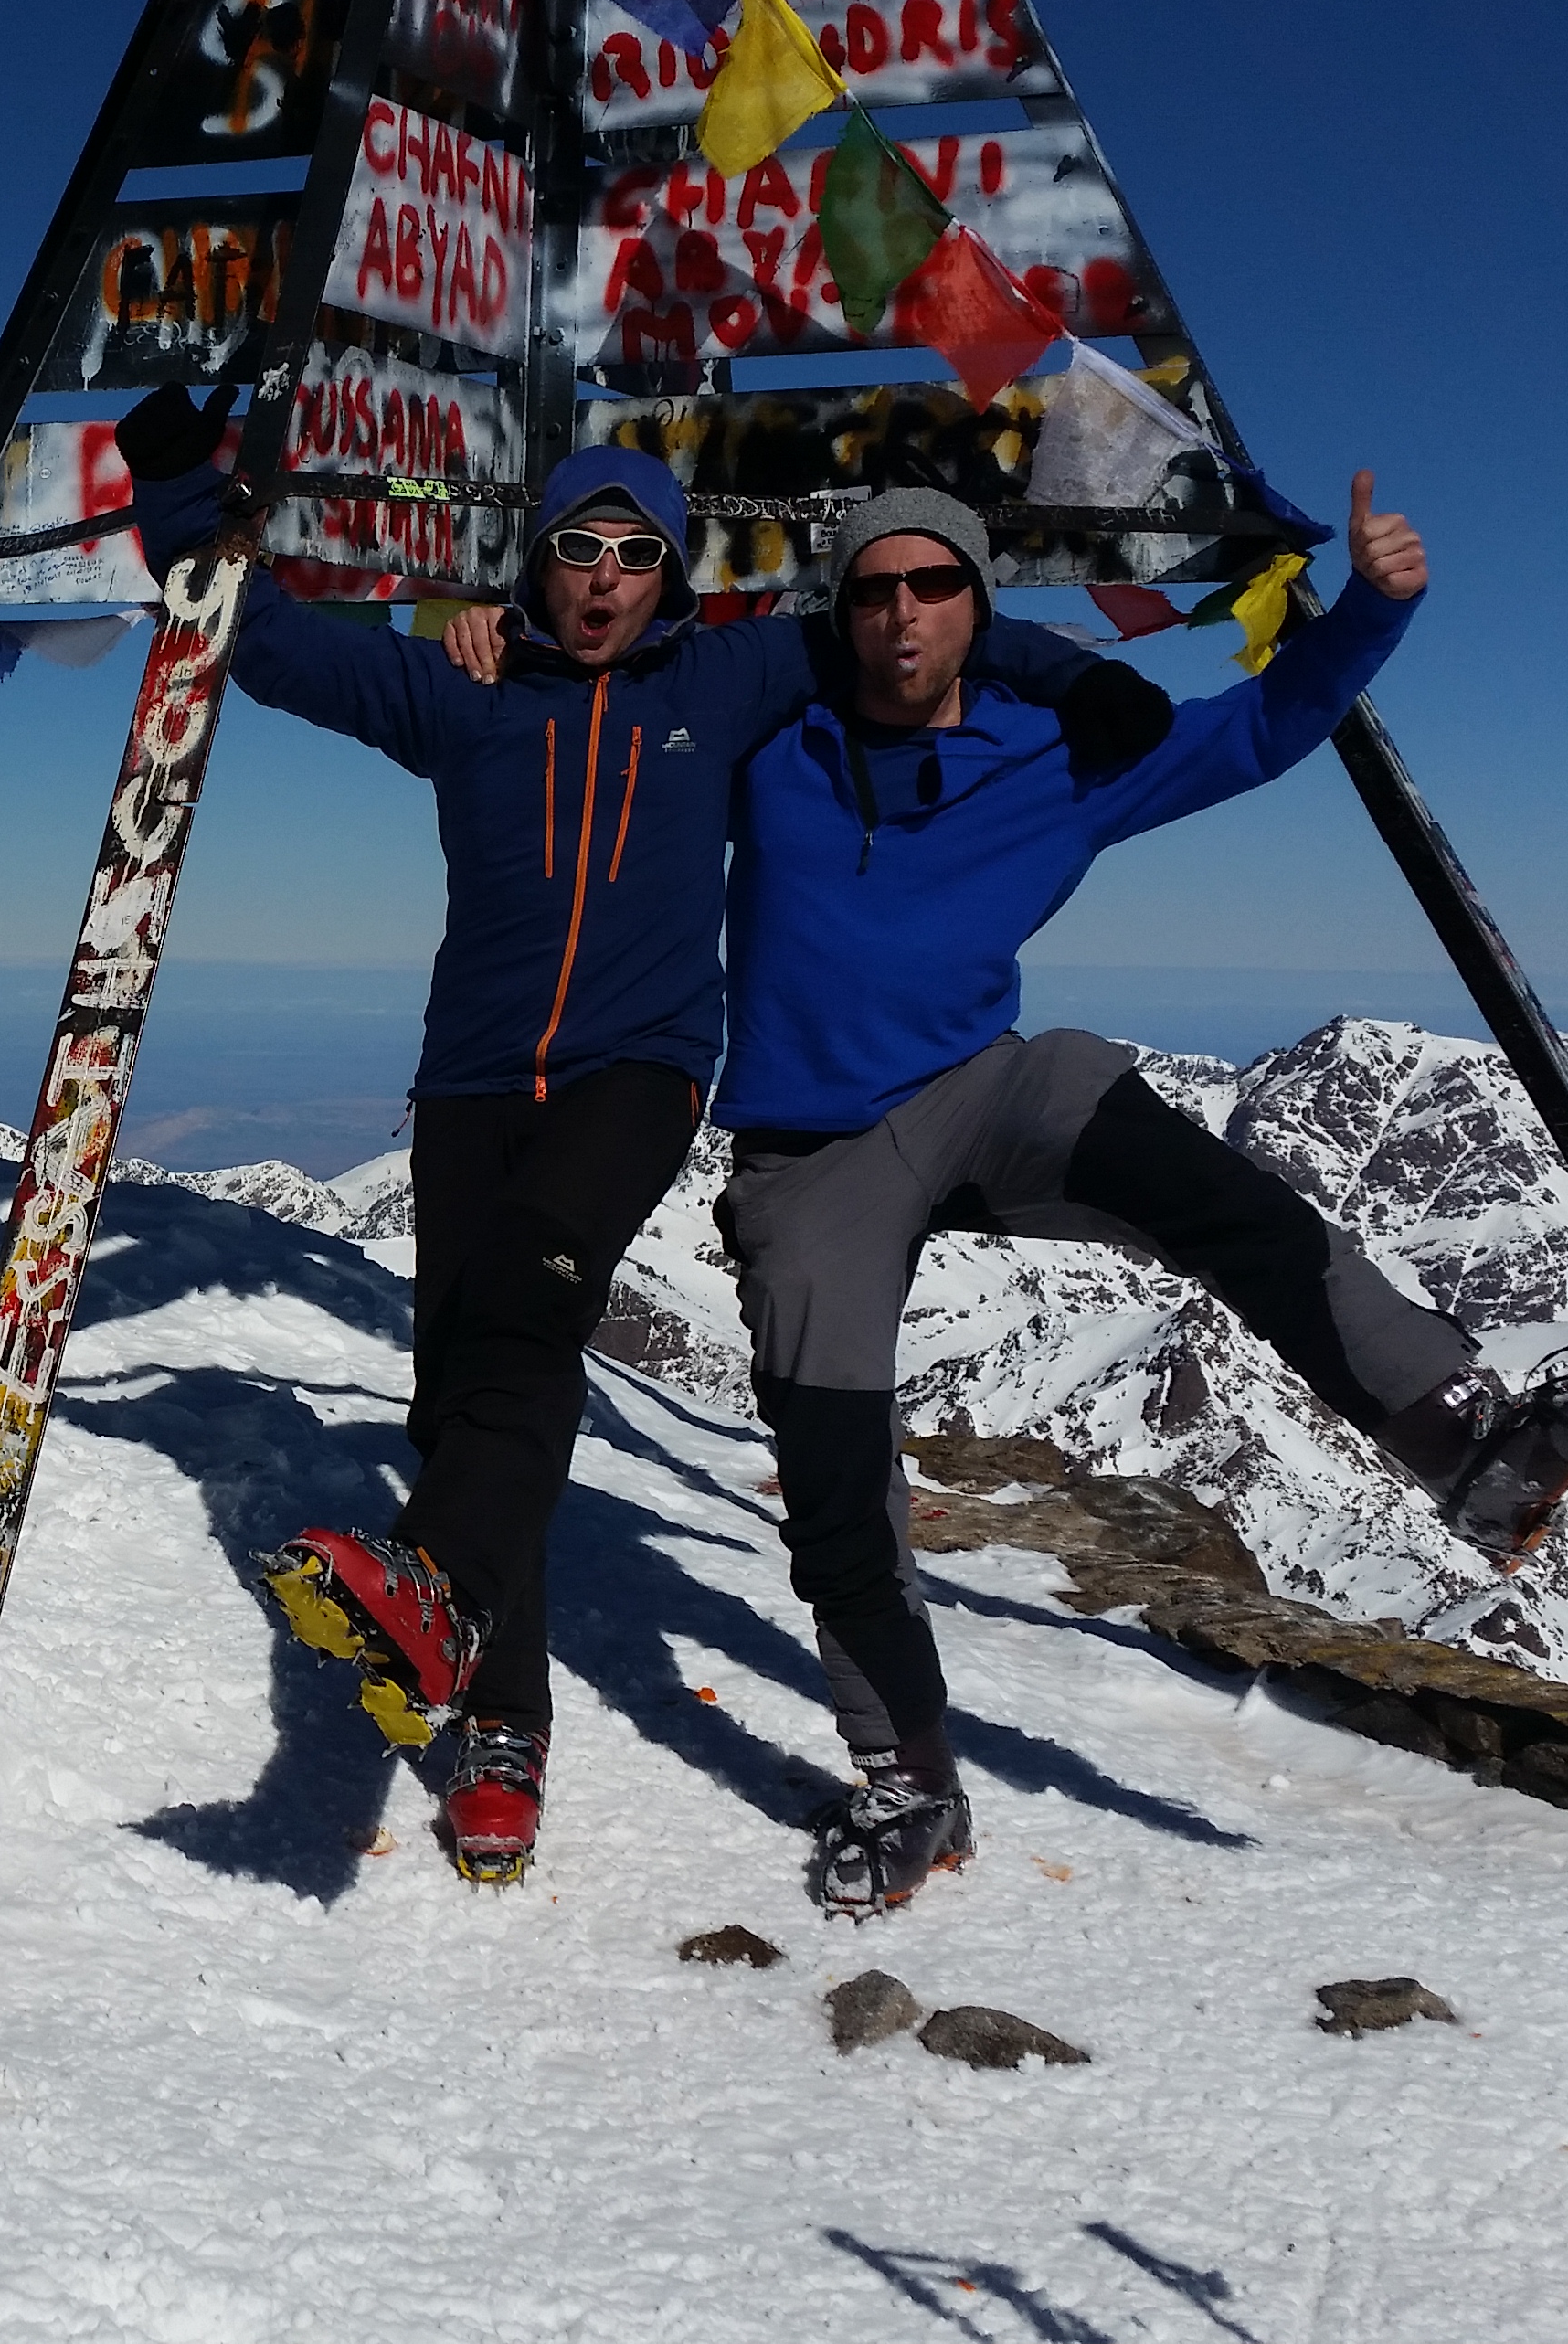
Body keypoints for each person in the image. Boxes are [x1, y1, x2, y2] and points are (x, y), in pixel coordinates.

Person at [90, 385, 1172, 1884]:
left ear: (671, 576)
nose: (604, 577)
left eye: (636, 554)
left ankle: (436, 1609)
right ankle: (498, 1724)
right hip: (469, 1082)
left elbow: (916, 621)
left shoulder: (727, 681)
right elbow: (262, 637)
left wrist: (1080, 682)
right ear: (536, 565)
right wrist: (174, 485)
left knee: (532, 1307)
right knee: (466, 1392)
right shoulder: (462, 692)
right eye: (579, 549)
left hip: (637, 1072)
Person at [688, 477, 1568, 1914]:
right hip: (809, 1152)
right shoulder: (773, 742)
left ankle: (1466, 1443)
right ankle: (910, 1777)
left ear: (974, 604)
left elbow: (1255, 730)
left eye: (933, 587)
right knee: (833, 1477)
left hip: (980, 1085)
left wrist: (1377, 608)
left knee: (1195, 1179)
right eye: (874, 591)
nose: (901, 616)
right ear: (841, 610)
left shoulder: (1051, 755)